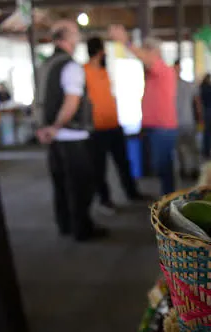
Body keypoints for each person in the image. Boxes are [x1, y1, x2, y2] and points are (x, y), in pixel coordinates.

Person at [36, 20, 106, 241]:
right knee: (81, 185)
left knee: (60, 184)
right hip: (71, 135)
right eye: (75, 34)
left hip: (52, 136)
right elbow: (71, 101)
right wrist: (56, 127)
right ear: (66, 38)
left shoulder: (45, 65)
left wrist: (43, 129)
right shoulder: (71, 65)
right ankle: (82, 230)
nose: (78, 38)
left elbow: (40, 100)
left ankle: (65, 225)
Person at [108, 25, 177, 195]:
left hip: (163, 128)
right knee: (161, 167)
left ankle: (169, 202)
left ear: (155, 53)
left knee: (164, 168)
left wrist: (125, 42)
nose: (142, 55)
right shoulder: (154, 72)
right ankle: (167, 200)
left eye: (147, 51)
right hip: (156, 127)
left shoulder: (162, 69)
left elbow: (145, 58)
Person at [85, 37, 142, 214]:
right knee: (99, 169)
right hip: (96, 129)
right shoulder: (83, 71)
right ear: (99, 51)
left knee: (123, 162)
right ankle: (105, 201)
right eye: (104, 50)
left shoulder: (104, 71)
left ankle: (131, 192)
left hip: (114, 125)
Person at [173, 59, 202, 180]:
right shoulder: (170, 85)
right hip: (176, 123)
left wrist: (200, 118)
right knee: (182, 149)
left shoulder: (188, 85)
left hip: (186, 121)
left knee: (190, 148)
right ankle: (185, 170)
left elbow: (197, 103)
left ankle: (193, 169)